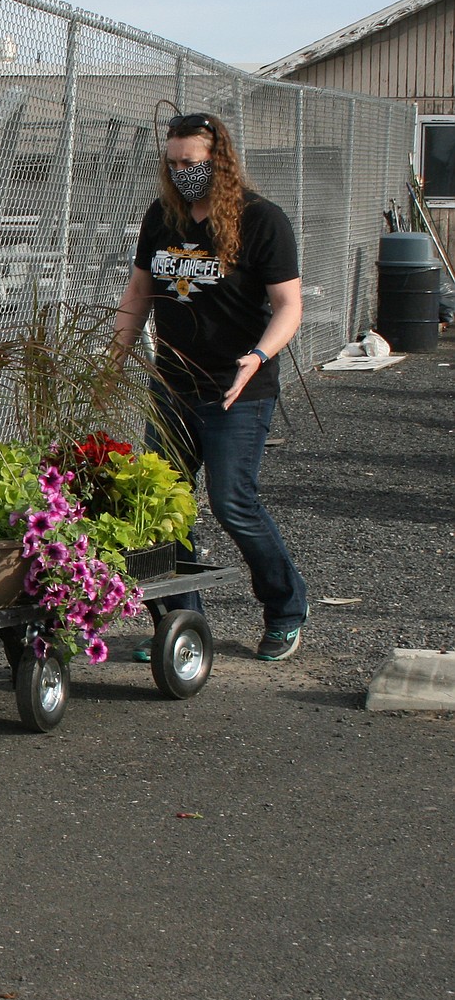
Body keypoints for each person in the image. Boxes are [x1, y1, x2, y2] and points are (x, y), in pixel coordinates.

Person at [113, 111, 308, 661]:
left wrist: (257, 356)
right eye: (171, 163)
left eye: (190, 163)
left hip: (237, 389)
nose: (180, 173)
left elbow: (288, 306)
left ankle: (286, 607)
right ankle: (181, 625)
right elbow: (139, 292)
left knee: (232, 502)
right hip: (172, 384)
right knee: (161, 506)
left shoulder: (261, 220)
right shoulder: (163, 218)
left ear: (218, 162)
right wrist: (113, 357)